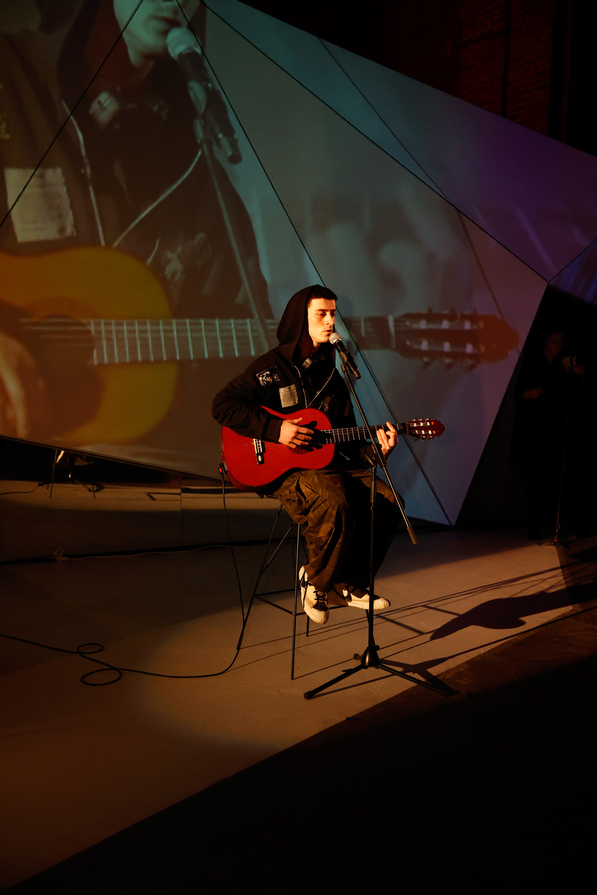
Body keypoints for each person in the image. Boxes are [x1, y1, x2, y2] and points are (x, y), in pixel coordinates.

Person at [0, 0, 269, 471]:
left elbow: (243, 338)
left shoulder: (196, 164)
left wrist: (296, 357)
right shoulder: (11, 76)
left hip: (135, 477)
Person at [212, 284, 402, 624]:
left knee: (388, 501)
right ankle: (314, 580)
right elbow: (223, 405)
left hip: (322, 464)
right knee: (332, 501)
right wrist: (276, 430)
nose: (331, 321)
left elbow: (345, 442)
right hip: (278, 468)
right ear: (302, 319)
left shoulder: (332, 377)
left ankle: (345, 583)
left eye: (333, 314)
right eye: (322, 314)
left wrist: (376, 451)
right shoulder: (272, 367)